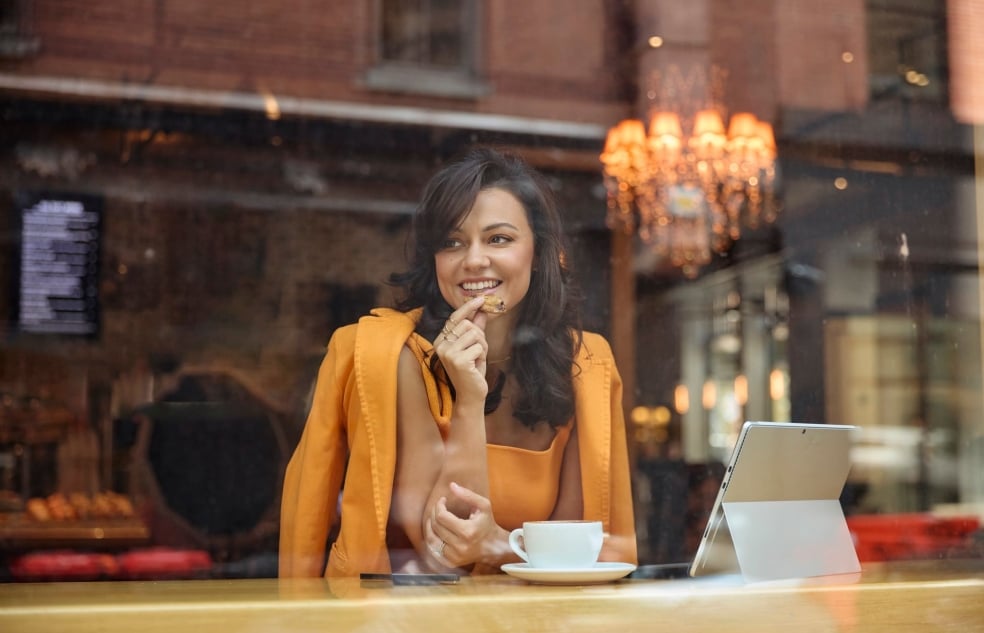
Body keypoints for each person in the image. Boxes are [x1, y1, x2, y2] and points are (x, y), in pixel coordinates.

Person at [279, 147, 637, 578]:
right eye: (452, 242)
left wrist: (499, 543)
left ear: (540, 253)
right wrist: (469, 398)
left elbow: (581, 547)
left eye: (498, 238)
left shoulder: (584, 365)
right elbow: (444, 554)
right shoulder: (396, 357)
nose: (473, 260)